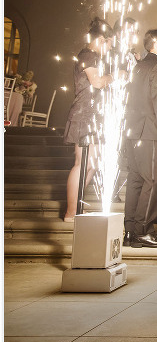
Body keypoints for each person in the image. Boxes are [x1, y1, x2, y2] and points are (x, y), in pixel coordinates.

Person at [122, 29, 157, 248]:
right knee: (154, 179)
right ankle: (143, 231)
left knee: (136, 180)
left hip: (132, 131)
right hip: (150, 132)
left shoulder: (138, 66)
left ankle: (130, 231)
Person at [62, 20, 114, 222]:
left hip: (94, 114)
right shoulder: (88, 55)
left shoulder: (92, 56)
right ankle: (71, 212)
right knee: (82, 162)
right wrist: (114, 76)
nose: (109, 49)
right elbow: (97, 82)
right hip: (85, 114)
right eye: (109, 44)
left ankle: (76, 207)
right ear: (101, 39)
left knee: (92, 164)